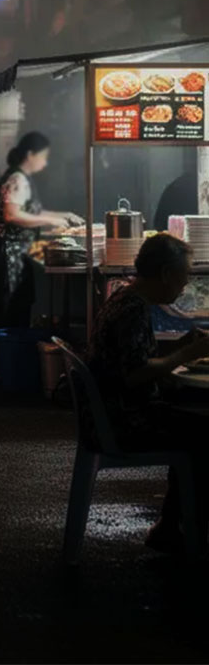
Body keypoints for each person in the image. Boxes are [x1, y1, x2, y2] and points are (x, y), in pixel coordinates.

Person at [87, 233, 209, 552]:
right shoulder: (133, 310)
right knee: (203, 433)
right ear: (167, 274)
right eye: (184, 276)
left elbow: (134, 358)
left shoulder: (126, 300)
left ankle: (172, 525)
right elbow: (135, 374)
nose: (185, 284)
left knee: (195, 417)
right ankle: (189, 529)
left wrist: (182, 346)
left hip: (115, 412)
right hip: (126, 421)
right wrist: (185, 355)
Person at [0, 131, 80, 369]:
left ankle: (2, 362)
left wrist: (62, 216)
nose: (45, 163)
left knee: (16, 304)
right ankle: (0, 364)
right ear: (30, 154)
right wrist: (51, 222)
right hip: (7, 251)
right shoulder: (17, 178)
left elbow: (32, 212)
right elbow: (12, 214)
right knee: (6, 306)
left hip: (13, 250)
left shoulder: (21, 177)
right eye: (43, 157)